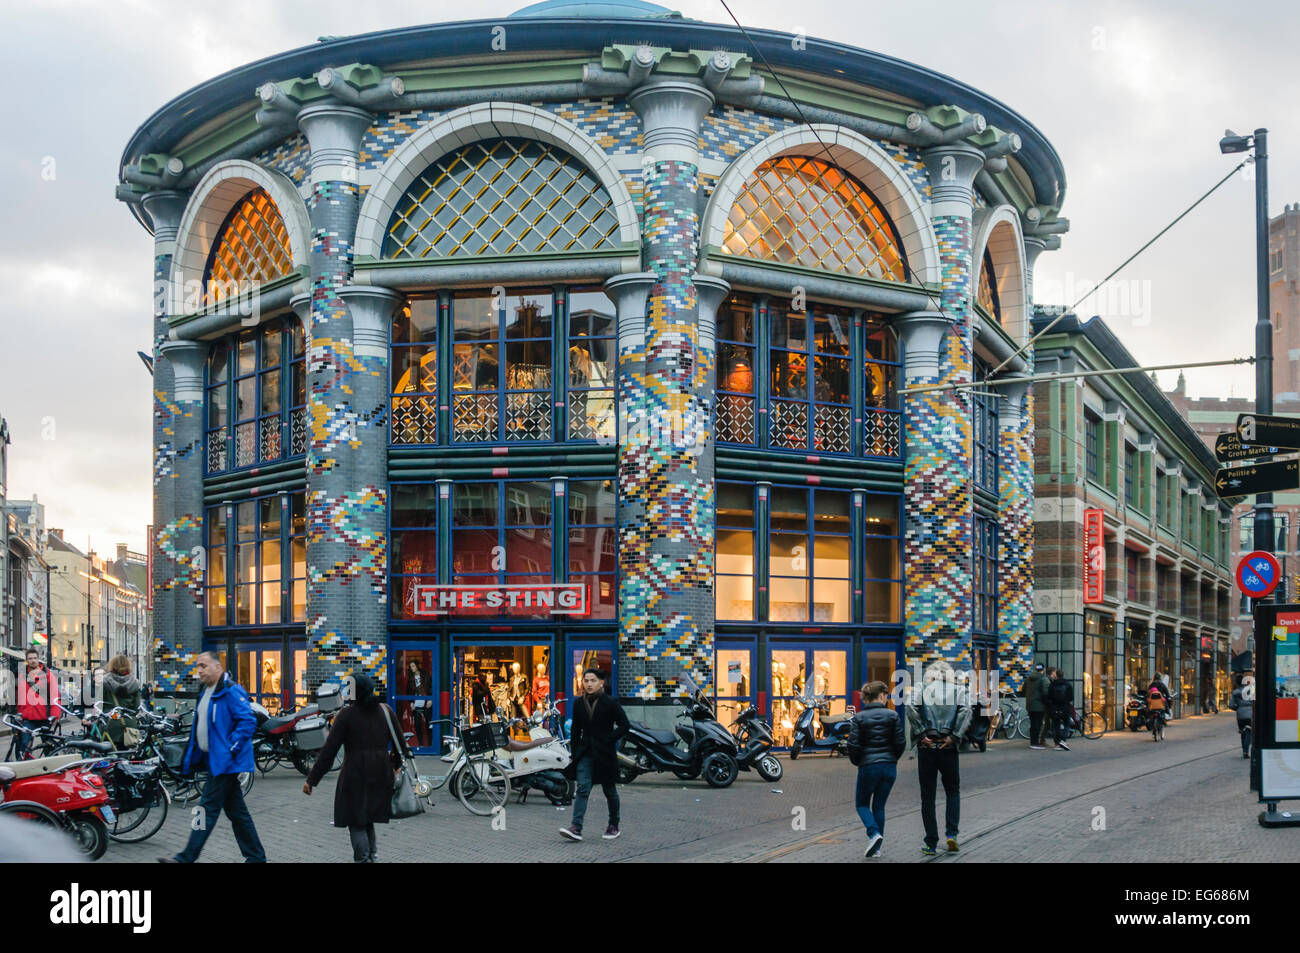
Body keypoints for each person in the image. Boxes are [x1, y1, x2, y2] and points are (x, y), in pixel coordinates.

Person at [160, 651, 265, 863]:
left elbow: (247, 721)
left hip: (225, 763)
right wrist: (191, 758)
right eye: (198, 666)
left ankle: (185, 858)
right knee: (237, 813)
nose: (199, 670)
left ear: (217, 668)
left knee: (204, 809)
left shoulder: (230, 691)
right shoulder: (206, 692)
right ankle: (256, 857)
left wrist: (230, 749)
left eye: (204, 666)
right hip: (213, 761)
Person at [303, 674, 413, 863]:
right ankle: (372, 857)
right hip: (381, 772)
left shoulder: (346, 715)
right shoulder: (385, 711)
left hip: (355, 773)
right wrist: (394, 766)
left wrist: (312, 780)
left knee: (356, 819)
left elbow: (329, 751)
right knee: (368, 817)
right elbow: (400, 744)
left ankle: (363, 859)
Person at [560, 667, 629, 842]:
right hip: (585, 753)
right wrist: (574, 753)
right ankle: (576, 827)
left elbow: (624, 725)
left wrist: (609, 739)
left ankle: (614, 825)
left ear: (601, 683)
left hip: (604, 754)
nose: (588, 684)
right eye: (586, 681)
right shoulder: (578, 703)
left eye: (592, 681)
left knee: (610, 791)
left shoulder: (610, 703)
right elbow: (575, 731)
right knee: (583, 788)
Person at [906, 670, 970, 855]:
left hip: (927, 748)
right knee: (952, 791)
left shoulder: (921, 689)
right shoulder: (958, 691)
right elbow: (966, 711)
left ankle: (931, 842)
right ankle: (951, 835)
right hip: (948, 748)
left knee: (927, 796)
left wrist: (921, 734)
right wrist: (954, 735)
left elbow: (910, 708)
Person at [847, 680, 905, 859]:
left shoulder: (859, 718)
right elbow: (900, 742)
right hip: (889, 767)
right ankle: (877, 848)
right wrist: (893, 758)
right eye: (886, 695)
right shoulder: (893, 716)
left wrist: (859, 761)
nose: (887, 699)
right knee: (879, 806)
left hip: (868, 766)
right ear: (881, 696)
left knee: (862, 804)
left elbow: (853, 744)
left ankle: (873, 834)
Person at [16, 648, 59, 758]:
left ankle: (53, 770)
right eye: (30, 658)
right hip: (27, 719)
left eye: (35, 658)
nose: (33, 660)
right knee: (25, 748)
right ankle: (27, 771)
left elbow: (55, 697)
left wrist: (55, 717)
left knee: (49, 749)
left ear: (39, 659)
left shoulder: (48, 675)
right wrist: (19, 715)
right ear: (26, 660)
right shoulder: (22, 676)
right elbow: (20, 698)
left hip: (45, 718)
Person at [100, 654, 142, 750]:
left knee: (108, 754)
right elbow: (136, 707)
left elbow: (99, 704)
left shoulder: (105, 681)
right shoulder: (135, 683)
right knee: (126, 754)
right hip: (128, 725)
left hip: (110, 723)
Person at [1022, 663, 1050, 749]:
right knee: (1038, 724)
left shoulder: (1028, 678)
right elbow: (1046, 693)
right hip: (1039, 706)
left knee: (1033, 724)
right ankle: (1035, 743)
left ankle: (1032, 742)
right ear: (1043, 669)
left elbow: (1023, 690)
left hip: (1030, 705)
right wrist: (1047, 702)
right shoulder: (1043, 679)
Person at [1046, 667, 1073, 752]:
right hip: (1065, 707)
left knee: (1056, 725)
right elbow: (1071, 697)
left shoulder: (1052, 684)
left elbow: (1048, 697)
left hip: (1055, 708)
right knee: (1066, 724)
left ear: (1056, 675)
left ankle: (1057, 743)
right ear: (1063, 675)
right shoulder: (1068, 684)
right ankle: (1063, 741)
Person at [1229, 674, 1255, 759]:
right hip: (1250, 714)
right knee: (1249, 732)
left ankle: (1244, 750)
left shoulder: (1235, 692)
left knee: (1243, 732)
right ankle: (1246, 751)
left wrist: (1238, 708)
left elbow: (1231, 705)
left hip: (1240, 715)